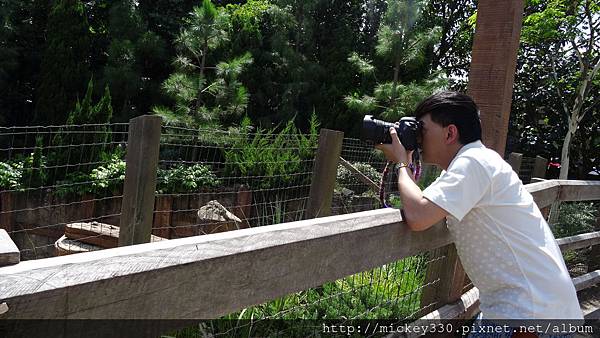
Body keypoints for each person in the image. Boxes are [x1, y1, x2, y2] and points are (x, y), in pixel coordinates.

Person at [375, 91, 582, 326]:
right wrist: (407, 160)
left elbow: (418, 216)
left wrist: (402, 161)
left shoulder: (472, 163)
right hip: (533, 307)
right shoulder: (476, 161)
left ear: (450, 132)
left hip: (526, 313)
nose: (418, 138)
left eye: (422, 130)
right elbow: (426, 206)